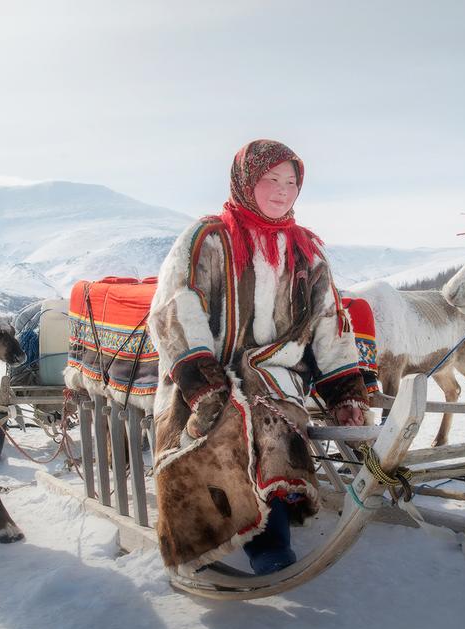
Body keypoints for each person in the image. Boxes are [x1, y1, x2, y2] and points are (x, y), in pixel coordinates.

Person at [149, 139, 368, 577]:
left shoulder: (307, 251)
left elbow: (329, 322)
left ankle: (272, 536)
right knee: (227, 420)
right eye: (270, 180)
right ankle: (225, 532)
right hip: (207, 372)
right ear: (246, 182)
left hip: (277, 375)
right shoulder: (207, 239)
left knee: (274, 419)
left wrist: (345, 389)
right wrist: (203, 380)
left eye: (291, 182)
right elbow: (175, 305)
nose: (282, 191)